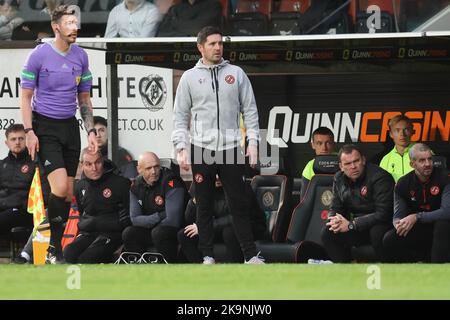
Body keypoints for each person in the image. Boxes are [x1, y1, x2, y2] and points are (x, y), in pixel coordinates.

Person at [172, 26, 263, 264]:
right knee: (203, 205)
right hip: (201, 148)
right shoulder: (189, 78)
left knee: (238, 203)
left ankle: (251, 256)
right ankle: (207, 256)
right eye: (212, 43)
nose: (218, 47)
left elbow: (250, 111)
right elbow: (180, 116)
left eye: (220, 43)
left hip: (232, 148)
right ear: (200, 47)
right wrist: (181, 147)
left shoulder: (236, 73)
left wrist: (252, 142)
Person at [20, 5, 98, 264]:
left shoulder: (81, 56)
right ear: (56, 27)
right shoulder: (39, 55)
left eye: (76, 23)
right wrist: (30, 131)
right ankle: (53, 247)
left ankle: (52, 248)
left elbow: (84, 97)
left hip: (69, 127)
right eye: (70, 23)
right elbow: (26, 96)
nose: (75, 27)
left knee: (66, 194)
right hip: (45, 127)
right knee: (60, 187)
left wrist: (90, 130)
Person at [321, 144, 395, 262]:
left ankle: (389, 270)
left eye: (356, 161)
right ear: (341, 166)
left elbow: (383, 213)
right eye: (348, 164)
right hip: (358, 227)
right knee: (328, 232)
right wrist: (333, 220)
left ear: (363, 160)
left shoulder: (380, 177)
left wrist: (352, 224)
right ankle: (346, 272)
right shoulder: (338, 178)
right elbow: (335, 206)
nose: (353, 166)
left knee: (377, 232)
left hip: (382, 223)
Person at [383, 143, 450, 263]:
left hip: (443, 227)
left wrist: (417, 216)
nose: (428, 164)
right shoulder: (403, 183)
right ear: (412, 164)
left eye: (430, 159)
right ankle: (411, 270)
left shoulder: (445, 177)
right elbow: (398, 215)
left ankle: (437, 270)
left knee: (442, 225)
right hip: (421, 228)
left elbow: (447, 212)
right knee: (390, 238)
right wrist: (399, 224)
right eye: (422, 160)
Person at [63, 148, 131, 264]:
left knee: (87, 258)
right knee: (69, 252)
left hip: (112, 233)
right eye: (89, 164)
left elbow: (129, 214)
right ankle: (77, 282)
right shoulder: (80, 186)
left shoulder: (120, 183)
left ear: (103, 161)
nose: (94, 168)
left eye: (98, 162)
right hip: (89, 233)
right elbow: (82, 212)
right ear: (82, 165)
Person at [178, 177, 267, 263]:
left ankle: (236, 269)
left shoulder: (239, 186)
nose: (217, 177)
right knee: (185, 234)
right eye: (214, 174)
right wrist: (194, 201)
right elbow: (189, 219)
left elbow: (235, 218)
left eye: (219, 173)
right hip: (218, 227)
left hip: (248, 227)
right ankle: (203, 271)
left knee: (229, 232)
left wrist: (204, 227)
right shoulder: (201, 185)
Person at [121, 152, 188, 262]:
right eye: (148, 168)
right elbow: (135, 219)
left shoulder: (171, 181)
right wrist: (159, 215)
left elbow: (173, 220)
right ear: (139, 169)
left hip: (175, 231)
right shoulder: (136, 185)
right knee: (129, 233)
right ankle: (143, 269)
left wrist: (148, 222)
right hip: (154, 228)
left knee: (159, 233)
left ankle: (169, 268)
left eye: (156, 167)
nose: (153, 172)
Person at [0, 124, 49, 237]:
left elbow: (44, 194)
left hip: (25, 212)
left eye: (21, 138)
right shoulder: (2, 165)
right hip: (3, 210)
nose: (17, 142)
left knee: (7, 216)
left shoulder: (36, 163)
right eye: (13, 139)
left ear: (27, 140)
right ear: (7, 143)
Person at [156, 0, 222, 37]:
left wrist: (175, 23)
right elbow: (162, 34)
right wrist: (188, 34)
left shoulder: (213, 5)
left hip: (203, 53)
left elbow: (199, 29)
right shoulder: (174, 9)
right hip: (175, 51)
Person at [379, 115, 415, 182]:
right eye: (397, 130)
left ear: (412, 132)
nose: (402, 134)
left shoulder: (424, 153)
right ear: (391, 134)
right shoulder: (385, 160)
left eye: (406, 129)